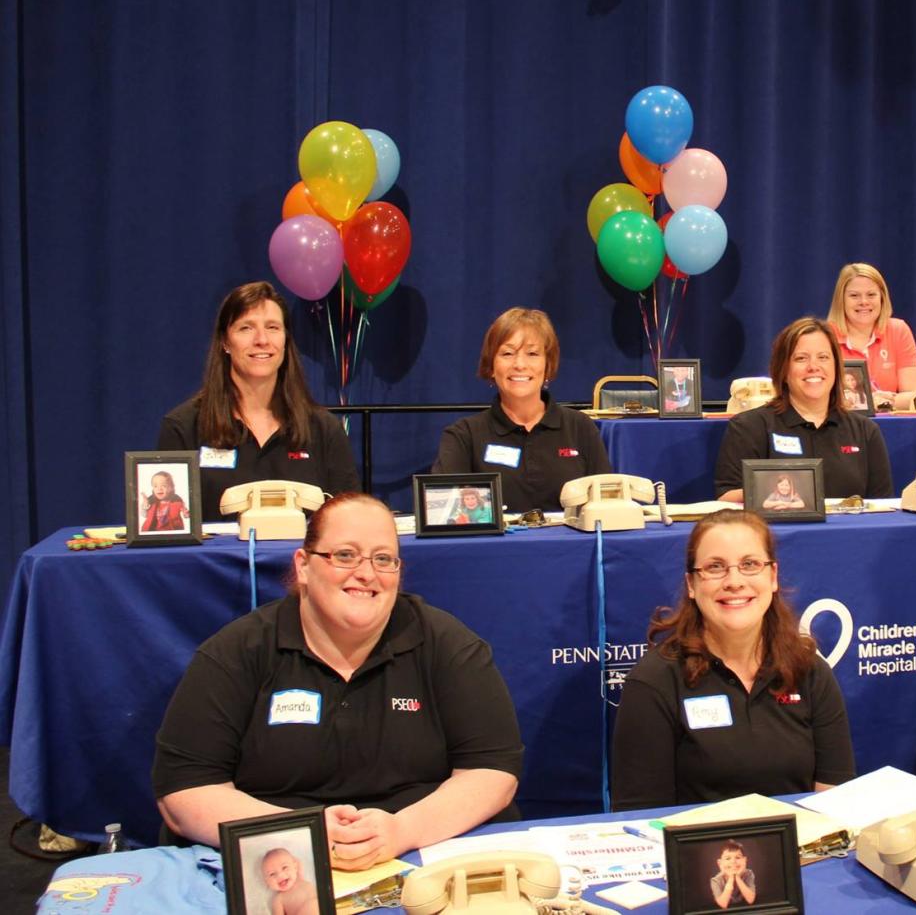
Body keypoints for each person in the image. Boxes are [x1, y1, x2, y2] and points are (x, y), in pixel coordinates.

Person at [152, 494, 524, 870]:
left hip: (420, 849)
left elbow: (491, 771)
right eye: (345, 555)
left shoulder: (448, 644)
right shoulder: (236, 652)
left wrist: (401, 831)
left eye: (383, 559)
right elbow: (185, 791)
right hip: (277, 859)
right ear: (303, 566)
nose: (366, 574)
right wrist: (296, 833)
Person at [610, 509, 856, 809]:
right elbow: (640, 819)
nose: (734, 581)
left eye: (750, 564)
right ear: (691, 584)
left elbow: (834, 802)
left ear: (773, 576)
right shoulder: (654, 682)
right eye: (715, 567)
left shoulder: (810, 671)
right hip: (693, 854)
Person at [158, 282, 360, 521]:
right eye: (246, 328)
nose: (262, 340)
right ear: (225, 342)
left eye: (273, 327)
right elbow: (168, 531)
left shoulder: (324, 429)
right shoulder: (183, 427)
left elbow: (350, 525)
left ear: (285, 340)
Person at [433, 307, 610, 513]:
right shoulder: (463, 436)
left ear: (548, 364)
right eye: (507, 353)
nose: (519, 364)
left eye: (532, 354)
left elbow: (606, 506)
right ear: (491, 366)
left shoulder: (581, 427)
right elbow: (445, 514)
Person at [714, 318, 893, 502]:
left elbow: (882, 506)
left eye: (823, 357)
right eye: (801, 358)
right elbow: (725, 498)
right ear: (783, 370)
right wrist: (778, 494)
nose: (813, 367)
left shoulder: (865, 431)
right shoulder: (749, 427)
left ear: (836, 367)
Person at [825, 263, 916, 400]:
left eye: (871, 295)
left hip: (890, 419)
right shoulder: (824, 336)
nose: (864, 302)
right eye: (854, 296)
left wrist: (885, 403)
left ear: (882, 298)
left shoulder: (898, 330)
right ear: (841, 300)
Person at [261, 847, 317, 915]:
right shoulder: (278, 899)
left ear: (295, 867)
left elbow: (297, 861)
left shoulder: (299, 877)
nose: (280, 875)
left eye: (284, 867)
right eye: (272, 874)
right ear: (266, 882)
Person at [709, 839, 756, 909]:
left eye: (738, 857)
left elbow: (751, 900)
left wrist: (737, 877)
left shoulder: (748, 874)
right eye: (728, 858)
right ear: (720, 863)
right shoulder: (716, 880)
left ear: (745, 860)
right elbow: (723, 904)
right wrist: (731, 878)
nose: (733, 861)